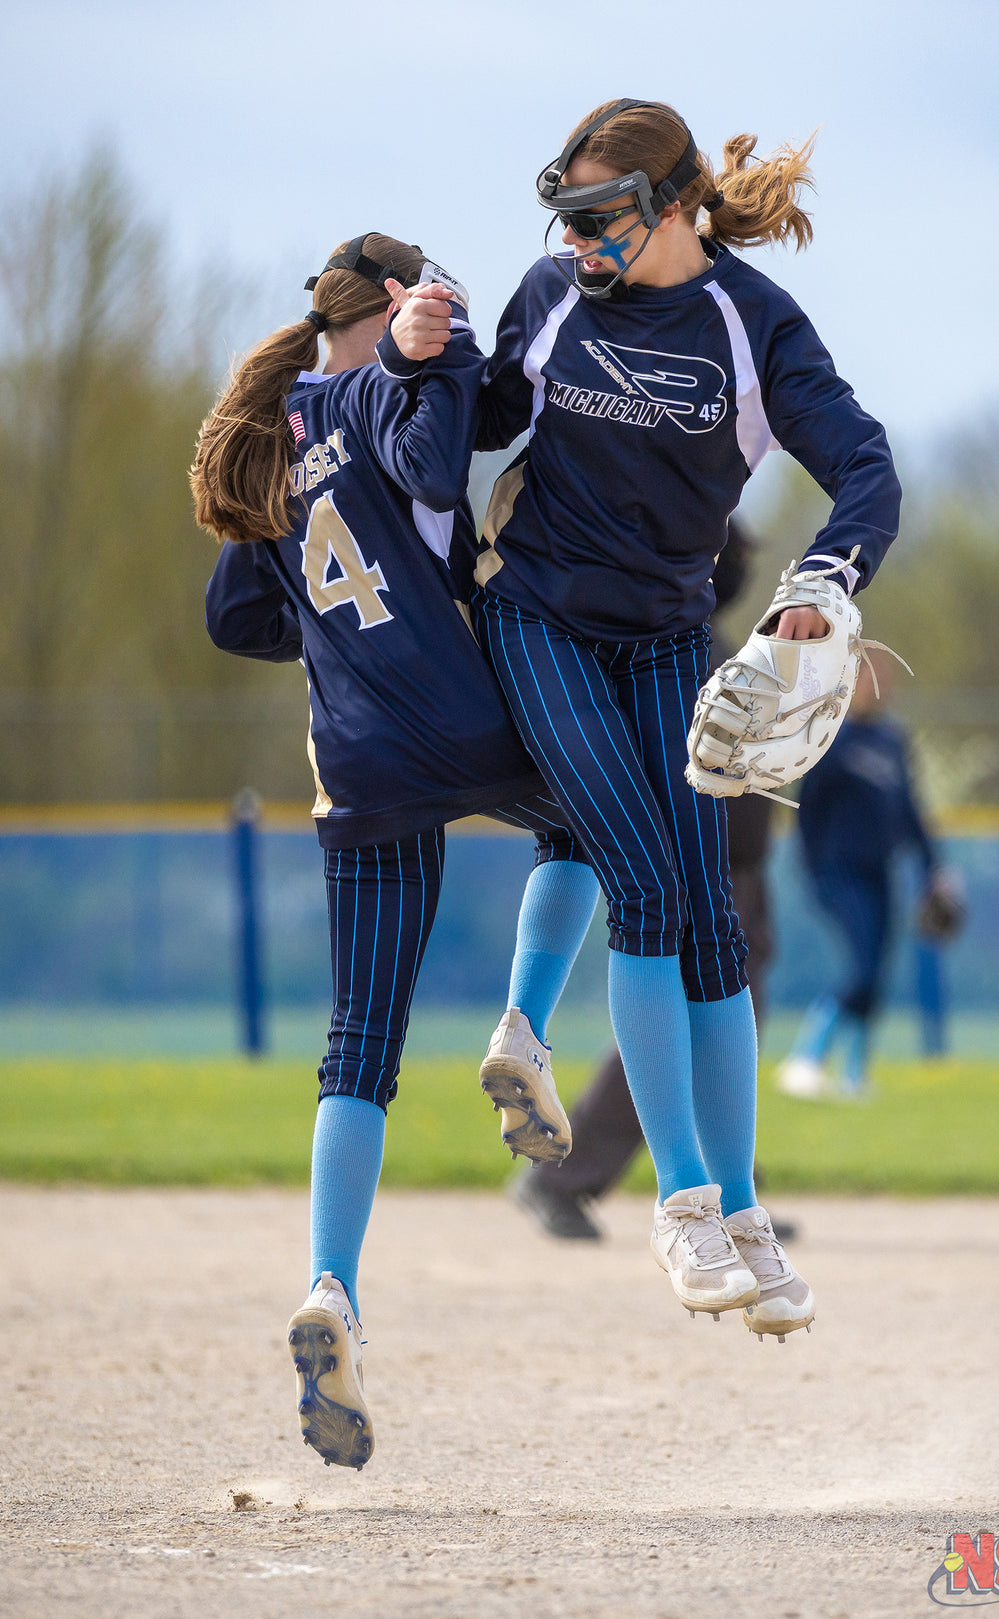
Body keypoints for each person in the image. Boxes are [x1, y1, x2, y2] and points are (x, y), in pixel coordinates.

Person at [464, 97, 902, 1339]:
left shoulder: (749, 323)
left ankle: (747, 1216)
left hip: (663, 639)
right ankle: (682, 1199)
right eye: (566, 218)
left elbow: (865, 467)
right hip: (538, 619)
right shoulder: (550, 295)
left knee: (709, 915)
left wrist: (823, 582)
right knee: (651, 887)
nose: (579, 243)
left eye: (601, 219)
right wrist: (405, 363)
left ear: (672, 206)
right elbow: (477, 422)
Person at [191, 234, 600, 1470]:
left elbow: (234, 616)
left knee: (357, 1045)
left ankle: (333, 1285)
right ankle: (524, 1028)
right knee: (589, 825)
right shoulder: (385, 390)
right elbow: (433, 465)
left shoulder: (276, 433)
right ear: (391, 310)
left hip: (357, 760)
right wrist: (436, 374)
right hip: (461, 720)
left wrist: (335, 644)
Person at [510, 527, 789, 1244]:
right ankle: (560, 1176)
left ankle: (731, 1190)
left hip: (738, 873)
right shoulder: (671, 648)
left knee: (726, 1030)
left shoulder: (710, 644)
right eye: (730, 555)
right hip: (702, 874)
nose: (738, 568)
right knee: (682, 1030)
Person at [777, 660, 946, 1099]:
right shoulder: (832, 739)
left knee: (878, 974)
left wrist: (934, 869)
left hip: (879, 871)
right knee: (862, 967)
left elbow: (908, 810)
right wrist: (812, 870)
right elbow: (807, 812)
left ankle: (854, 1075)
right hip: (838, 872)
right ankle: (805, 1060)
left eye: (884, 680)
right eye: (870, 680)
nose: (879, 687)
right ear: (849, 687)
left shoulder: (892, 741)